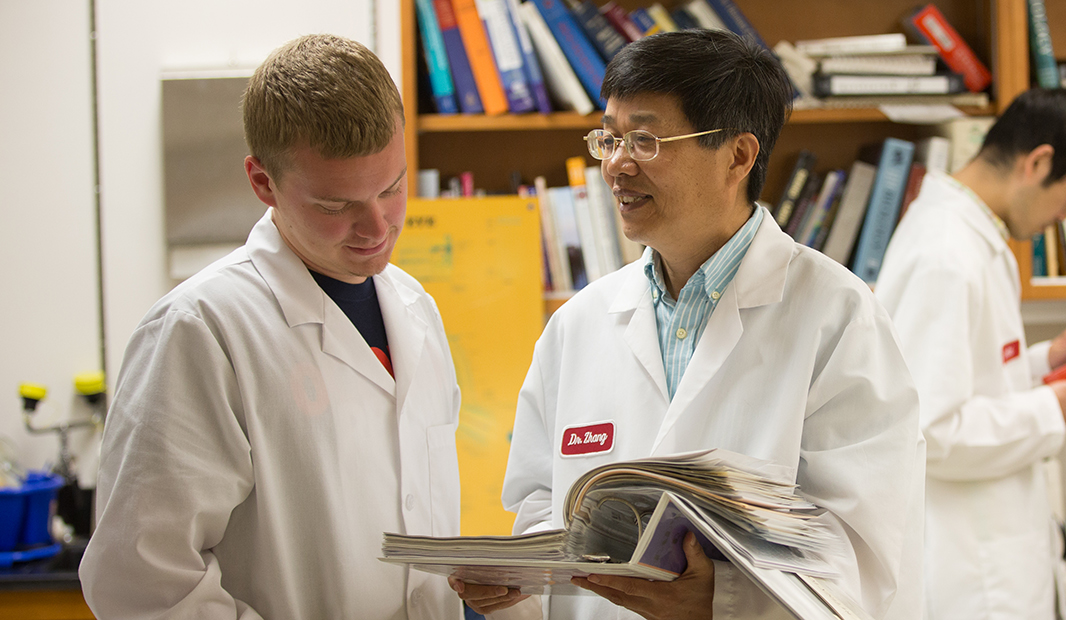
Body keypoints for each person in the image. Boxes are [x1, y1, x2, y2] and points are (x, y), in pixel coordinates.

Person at [453, 29, 925, 620]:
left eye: (646, 140)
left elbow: (866, 548)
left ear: (738, 156)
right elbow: (539, 512)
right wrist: (512, 586)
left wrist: (722, 604)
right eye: (611, 138)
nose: (617, 166)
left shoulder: (837, 318)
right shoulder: (577, 325)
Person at [79, 35, 463, 619]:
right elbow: (140, 583)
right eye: (335, 206)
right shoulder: (201, 330)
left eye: (391, 188)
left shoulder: (416, 309)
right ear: (263, 183)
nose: (376, 227)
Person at [873, 88, 1066, 620]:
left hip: (987, 550)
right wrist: (1049, 409)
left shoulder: (971, 234)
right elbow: (930, 429)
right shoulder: (947, 254)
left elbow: (962, 372)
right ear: (1039, 162)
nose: (1063, 215)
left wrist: (1041, 362)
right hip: (967, 575)